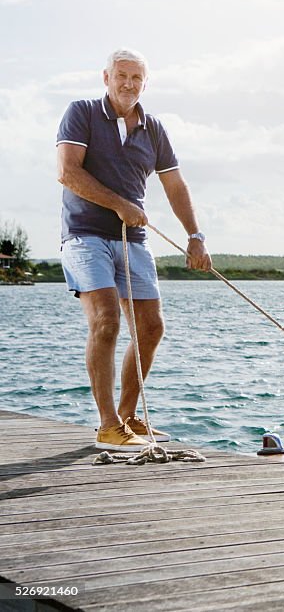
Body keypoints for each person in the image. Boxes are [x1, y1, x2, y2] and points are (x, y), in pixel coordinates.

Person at [57, 48, 212, 451]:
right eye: (121, 76)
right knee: (106, 320)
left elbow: (175, 185)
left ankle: (127, 417)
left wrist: (195, 235)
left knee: (151, 327)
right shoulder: (82, 112)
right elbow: (67, 172)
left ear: (145, 83)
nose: (128, 84)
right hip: (85, 235)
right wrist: (119, 204)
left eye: (136, 78)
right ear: (105, 77)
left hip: (134, 240)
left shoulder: (154, 128)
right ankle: (107, 426)